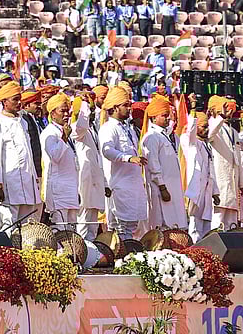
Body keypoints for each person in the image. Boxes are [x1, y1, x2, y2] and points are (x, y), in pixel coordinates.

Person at [0, 82, 41, 227]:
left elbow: (28, 154)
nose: (19, 103)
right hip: (9, 183)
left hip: (27, 181)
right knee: (8, 223)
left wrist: (34, 178)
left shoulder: (22, 122)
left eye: (20, 99)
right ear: (4, 102)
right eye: (15, 99)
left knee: (28, 226)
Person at [99, 85, 147, 238]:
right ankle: (122, 259)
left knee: (131, 227)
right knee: (121, 229)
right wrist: (129, 158)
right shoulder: (108, 128)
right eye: (125, 105)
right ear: (114, 108)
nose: (129, 108)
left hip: (133, 185)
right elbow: (107, 151)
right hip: (120, 186)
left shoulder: (128, 129)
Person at [139, 94, 186, 232]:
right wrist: (162, 187)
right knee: (163, 226)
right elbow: (153, 164)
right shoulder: (151, 137)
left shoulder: (165, 135)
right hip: (161, 189)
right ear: (154, 117)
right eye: (164, 116)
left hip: (173, 187)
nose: (168, 118)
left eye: (168, 115)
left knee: (176, 226)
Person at [40, 93, 78, 231]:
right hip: (58, 190)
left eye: (67, 111)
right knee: (60, 229)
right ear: (53, 113)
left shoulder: (65, 131)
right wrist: (64, 138)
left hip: (70, 188)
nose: (66, 114)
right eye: (62, 111)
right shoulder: (49, 133)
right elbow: (55, 156)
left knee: (72, 230)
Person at [71, 92, 105, 240]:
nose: (90, 114)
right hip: (84, 179)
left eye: (91, 110)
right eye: (87, 111)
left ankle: (91, 253)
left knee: (93, 222)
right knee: (83, 222)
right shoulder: (75, 129)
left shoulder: (92, 130)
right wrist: (84, 104)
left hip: (95, 179)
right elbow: (81, 125)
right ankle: (81, 253)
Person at [180, 112, 217, 242]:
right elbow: (191, 131)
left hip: (206, 188)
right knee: (195, 224)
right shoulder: (189, 141)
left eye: (207, 127)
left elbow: (211, 169)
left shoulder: (206, 144)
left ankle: (205, 252)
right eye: (203, 126)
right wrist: (194, 110)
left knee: (206, 223)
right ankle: (194, 251)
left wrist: (215, 192)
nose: (206, 130)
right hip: (195, 190)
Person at [206, 95, 241, 230]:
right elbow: (209, 135)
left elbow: (238, 161)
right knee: (217, 224)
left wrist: (242, 183)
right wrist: (221, 117)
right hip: (219, 185)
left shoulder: (233, 132)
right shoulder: (211, 125)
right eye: (224, 108)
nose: (229, 112)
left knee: (232, 226)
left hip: (232, 184)